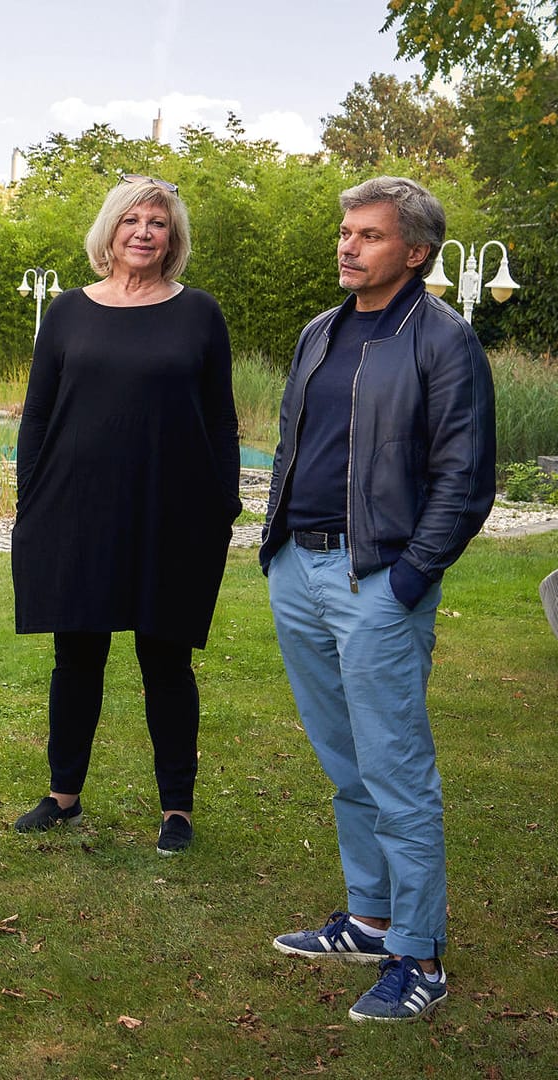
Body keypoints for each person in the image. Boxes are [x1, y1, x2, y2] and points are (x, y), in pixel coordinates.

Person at [264, 176, 494, 1023]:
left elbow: (464, 478)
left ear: (416, 251)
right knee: (344, 759)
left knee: (396, 768)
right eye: (344, 231)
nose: (346, 245)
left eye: (366, 234)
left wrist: (409, 577)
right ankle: (369, 916)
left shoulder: (444, 341)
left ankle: (420, 955)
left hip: (379, 580)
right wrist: (275, 547)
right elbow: (298, 445)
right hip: (300, 571)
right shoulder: (319, 332)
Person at [7, 175, 239, 855]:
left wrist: (223, 503)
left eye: (157, 223)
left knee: (166, 658)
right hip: (77, 508)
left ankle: (177, 810)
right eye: (131, 219)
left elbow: (222, 420)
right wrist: (31, 496)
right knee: (76, 655)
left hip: (172, 510)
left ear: (174, 239)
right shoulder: (69, 314)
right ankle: (63, 795)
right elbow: (39, 414)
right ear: (109, 231)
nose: (143, 231)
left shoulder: (199, 314)